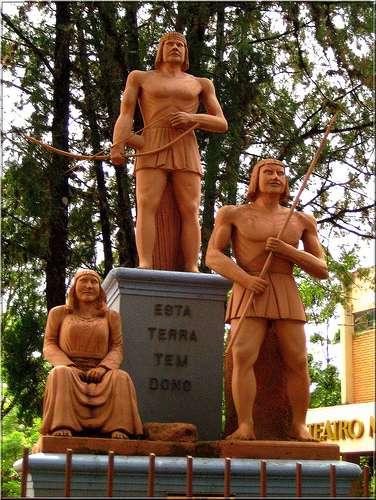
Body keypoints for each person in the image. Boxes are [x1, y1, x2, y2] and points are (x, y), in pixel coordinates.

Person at [205, 158, 328, 441]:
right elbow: (213, 255)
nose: (275, 176)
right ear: (255, 179)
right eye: (268, 172)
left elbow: (321, 269)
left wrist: (289, 251)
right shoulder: (232, 214)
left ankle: (299, 425)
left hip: (285, 286)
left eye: (281, 173)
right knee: (242, 355)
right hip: (250, 285)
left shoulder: (301, 219)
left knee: (298, 360)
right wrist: (244, 279)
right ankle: (245, 425)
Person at [111, 31, 228, 272]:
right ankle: (145, 263)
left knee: (190, 208)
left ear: (186, 53)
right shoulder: (140, 78)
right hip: (152, 144)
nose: (175, 48)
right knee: (146, 204)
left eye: (180, 45)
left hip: (185, 145)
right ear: (160, 50)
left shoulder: (200, 83)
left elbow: (221, 123)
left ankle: (191, 266)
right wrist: (118, 145)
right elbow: (126, 113)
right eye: (170, 44)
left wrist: (192, 118)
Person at [41, 269, 143, 439]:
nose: (89, 286)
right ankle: (63, 424)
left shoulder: (111, 316)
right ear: (74, 286)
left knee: (121, 378)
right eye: (84, 281)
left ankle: (118, 427)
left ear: (99, 288)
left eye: (94, 282)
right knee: (59, 374)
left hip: (101, 371)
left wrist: (103, 368)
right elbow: (49, 344)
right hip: (70, 368)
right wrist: (69, 365)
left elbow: (117, 347)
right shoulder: (59, 313)